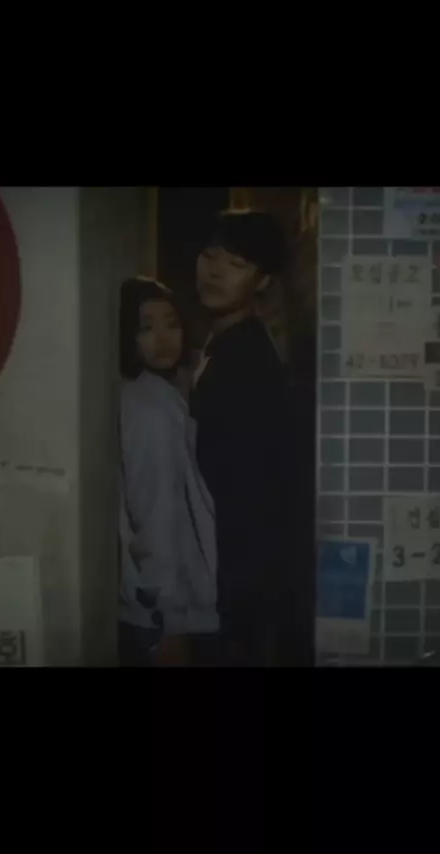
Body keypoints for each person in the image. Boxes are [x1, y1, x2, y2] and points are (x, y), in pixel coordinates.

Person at [190, 210, 295, 666]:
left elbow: (251, 492)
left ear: (263, 280)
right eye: (211, 255)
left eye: (236, 264)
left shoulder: (248, 360)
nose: (215, 271)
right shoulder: (223, 344)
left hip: (232, 577)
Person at [118, 276, 219, 666]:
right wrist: (171, 618)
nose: (163, 338)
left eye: (171, 324)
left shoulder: (157, 395)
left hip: (167, 604)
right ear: (128, 335)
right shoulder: (147, 409)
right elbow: (154, 514)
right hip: (166, 611)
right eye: (147, 327)